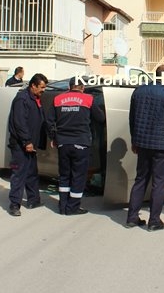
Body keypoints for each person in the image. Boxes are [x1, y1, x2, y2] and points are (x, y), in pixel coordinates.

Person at [126, 65, 164, 231]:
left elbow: (132, 118)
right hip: (162, 146)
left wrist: (134, 140)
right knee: (159, 184)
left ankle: (132, 217)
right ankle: (154, 221)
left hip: (143, 144)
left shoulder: (138, 92)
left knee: (140, 180)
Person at [47, 77, 105, 215]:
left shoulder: (58, 99)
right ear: (82, 88)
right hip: (81, 143)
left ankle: (63, 206)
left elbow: (49, 121)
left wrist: (54, 137)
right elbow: (101, 118)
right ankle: (72, 207)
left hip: (63, 143)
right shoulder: (88, 99)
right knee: (78, 175)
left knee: (64, 175)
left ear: (70, 86)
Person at [6, 73, 48, 216]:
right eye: (41, 87)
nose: (43, 90)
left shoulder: (35, 99)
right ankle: (14, 205)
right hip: (21, 145)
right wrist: (27, 141)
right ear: (33, 86)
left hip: (31, 144)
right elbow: (20, 123)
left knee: (32, 173)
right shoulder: (22, 99)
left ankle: (33, 200)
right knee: (19, 174)